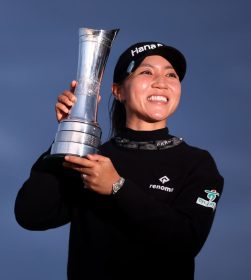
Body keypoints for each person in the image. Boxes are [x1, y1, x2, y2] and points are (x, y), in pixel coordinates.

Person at [14, 41, 224, 279]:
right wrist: (68, 133)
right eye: (146, 72)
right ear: (118, 90)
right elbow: (31, 214)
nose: (161, 82)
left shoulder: (197, 163)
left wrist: (118, 188)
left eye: (171, 75)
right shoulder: (91, 158)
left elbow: (186, 242)